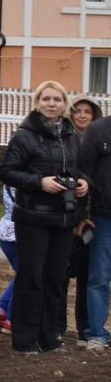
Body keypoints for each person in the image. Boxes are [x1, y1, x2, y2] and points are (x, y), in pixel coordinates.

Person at [1, 81, 89, 354]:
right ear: (37, 102)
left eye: (57, 99)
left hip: (64, 218)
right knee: (31, 279)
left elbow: (79, 169)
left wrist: (85, 183)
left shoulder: (71, 136)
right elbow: (7, 171)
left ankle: (49, 336)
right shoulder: (24, 135)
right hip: (33, 217)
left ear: (65, 104)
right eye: (46, 99)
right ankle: (25, 340)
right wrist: (40, 182)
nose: (52, 104)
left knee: (55, 279)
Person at [64, 96, 103, 340]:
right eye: (77, 111)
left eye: (87, 112)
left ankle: (85, 327)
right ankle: (56, 325)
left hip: (90, 220)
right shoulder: (66, 142)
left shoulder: (98, 141)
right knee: (62, 273)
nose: (82, 115)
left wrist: (86, 216)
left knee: (87, 273)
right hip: (67, 219)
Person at [82, 104, 111, 350]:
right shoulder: (98, 131)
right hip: (103, 217)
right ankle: (96, 334)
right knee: (99, 277)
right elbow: (84, 174)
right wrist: (84, 213)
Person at [0, 185, 18, 335]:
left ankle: (1, 309)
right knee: (26, 276)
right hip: (18, 232)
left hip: (7, 231)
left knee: (22, 274)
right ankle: (12, 319)